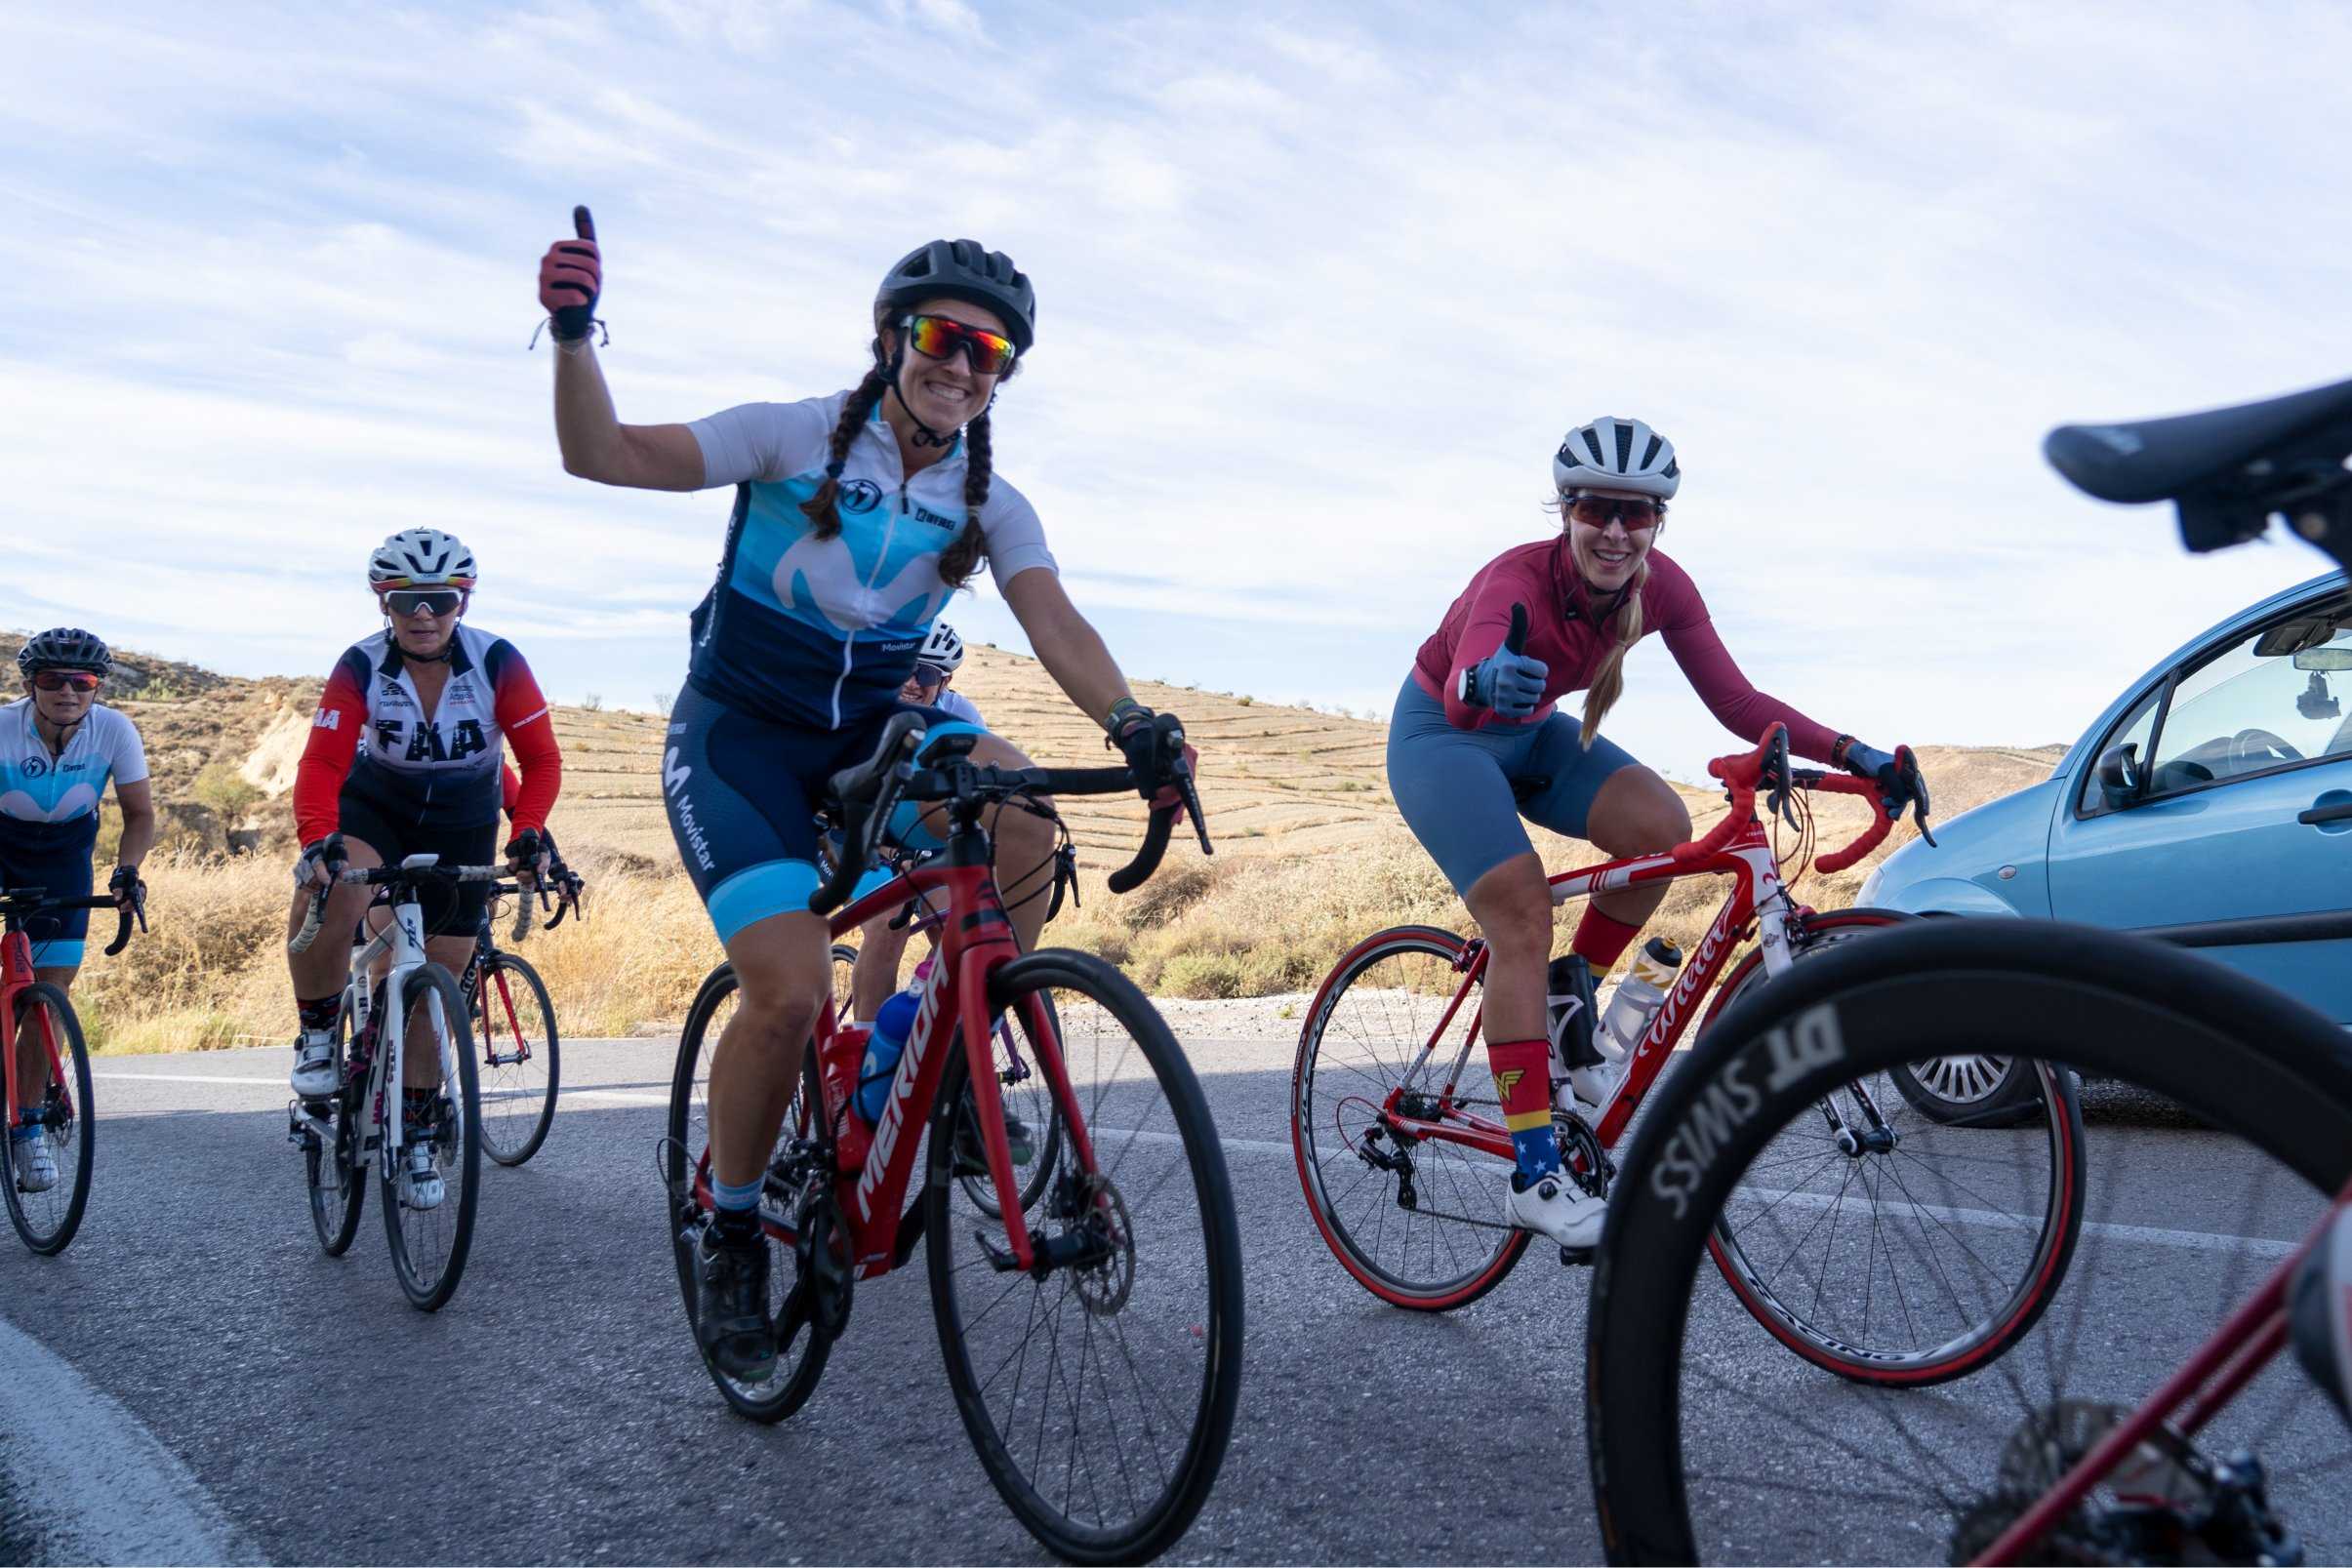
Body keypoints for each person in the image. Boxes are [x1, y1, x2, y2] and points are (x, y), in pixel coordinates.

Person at [541, 224, 1191, 1381]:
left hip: (877, 731)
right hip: (741, 737)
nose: (963, 365)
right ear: (893, 339)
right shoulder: (791, 433)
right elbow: (602, 453)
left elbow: (1054, 622)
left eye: (989, 356)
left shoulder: (989, 499)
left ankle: (934, 1051)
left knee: (1029, 821)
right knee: (786, 995)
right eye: (944, 338)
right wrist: (577, 335)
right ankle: (734, 1223)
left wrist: (1133, 721)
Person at [1388, 417, 1925, 1250]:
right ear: (1566, 509)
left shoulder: (1664, 586)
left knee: (1663, 829)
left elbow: (1741, 706)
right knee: (1522, 911)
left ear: (1657, 522)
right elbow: (1463, 691)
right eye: (1597, 508)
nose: (1614, 530)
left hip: (1532, 737)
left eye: (1636, 514)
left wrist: (1856, 753)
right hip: (1443, 737)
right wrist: (1486, 676)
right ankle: (1534, 1173)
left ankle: (1574, 985)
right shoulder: (1515, 581)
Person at [283, 529, 563, 1210]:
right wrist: (319, 838)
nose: (424, 614)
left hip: (464, 815)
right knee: (336, 887)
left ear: (461, 600)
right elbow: (321, 764)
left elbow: (542, 760)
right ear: (385, 601)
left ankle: (413, 1127)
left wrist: (527, 831)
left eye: (439, 599)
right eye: (406, 599)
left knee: (436, 990)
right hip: (377, 806)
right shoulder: (360, 665)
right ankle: (319, 1031)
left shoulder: (498, 661)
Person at [1, 630, 152, 1192]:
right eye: (51, 680)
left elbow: (139, 814)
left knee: (50, 993)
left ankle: (29, 1131)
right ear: (29, 684)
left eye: (81, 682)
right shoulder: (2, 728)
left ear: (96, 688)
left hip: (64, 856)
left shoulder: (113, 730)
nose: (67, 691)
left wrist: (126, 871)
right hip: (3, 844)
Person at [846, 621, 989, 1025]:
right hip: (849, 832)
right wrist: (886, 848)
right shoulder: (864, 707)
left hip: (914, 839)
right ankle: (866, 1051)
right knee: (889, 924)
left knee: (959, 929)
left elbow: (978, 777)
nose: (912, 681)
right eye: (905, 667)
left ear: (945, 681)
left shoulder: (961, 714)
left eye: (925, 673)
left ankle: (922, 1026)